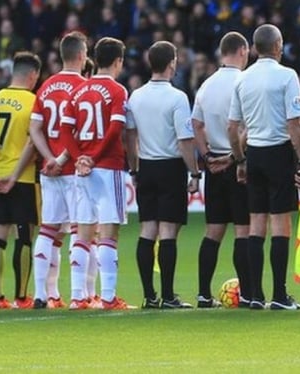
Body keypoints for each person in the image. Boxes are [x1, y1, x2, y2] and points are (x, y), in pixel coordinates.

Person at [228, 24, 300, 310]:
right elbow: (294, 123)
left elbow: (233, 127)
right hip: (278, 153)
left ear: (253, 48)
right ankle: (279, 295)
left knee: (256, 225)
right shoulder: (287, 76)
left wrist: (240, 160)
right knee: (280, 225)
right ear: (277, 46)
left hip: (255, 155)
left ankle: (254, 295)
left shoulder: (242, 79)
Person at [59, 37, 132, 310]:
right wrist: (94, 158)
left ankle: (78, 296)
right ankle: (109, 297)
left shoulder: (77, 91)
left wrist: (79, 159)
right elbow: (114, 130)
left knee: (83, 231)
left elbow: (66, 130)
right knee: (109, 232)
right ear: (118, 61)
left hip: (82, 170)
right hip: (107, 166)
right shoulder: (117, 91)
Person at [126, 41, 200, 309]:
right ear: (172, 63)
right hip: (171, 166)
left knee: (147, 229)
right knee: (168, 231)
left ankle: (149, 295)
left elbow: (130, 137)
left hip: (146, 165)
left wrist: (134, 168)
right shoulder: (177, 97)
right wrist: (194, 173)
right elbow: (184, 141)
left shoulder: (136, 96)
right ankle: (168, 295)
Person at [191, 31, 251, 308]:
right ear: (242, 50)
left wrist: (207, 156)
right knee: (243, 230)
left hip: (213, 166)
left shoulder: (206, 85)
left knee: (213, 231)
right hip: (238, 164)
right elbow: (247, 125)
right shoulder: (245, 82)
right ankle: (249, 293)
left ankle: (203, 294)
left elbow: (196, 125)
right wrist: (233, 157)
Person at [29, 31, 87, 309]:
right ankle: (79, 295)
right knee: (80, 230)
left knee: (48, 230)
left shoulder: (46, 86)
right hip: (73, 169)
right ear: (80, 55)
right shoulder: (84, 88)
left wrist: (49, 157)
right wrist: (62, 159)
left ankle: (42, 294)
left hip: (48, 169)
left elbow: (34, 129)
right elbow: (75, 131)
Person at [0, 51, 41, 309]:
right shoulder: (33, 102)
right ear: (33, 75)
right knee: (24, 236)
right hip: (23, 178)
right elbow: (33, 143)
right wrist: (16, 176)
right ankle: (21, 297)